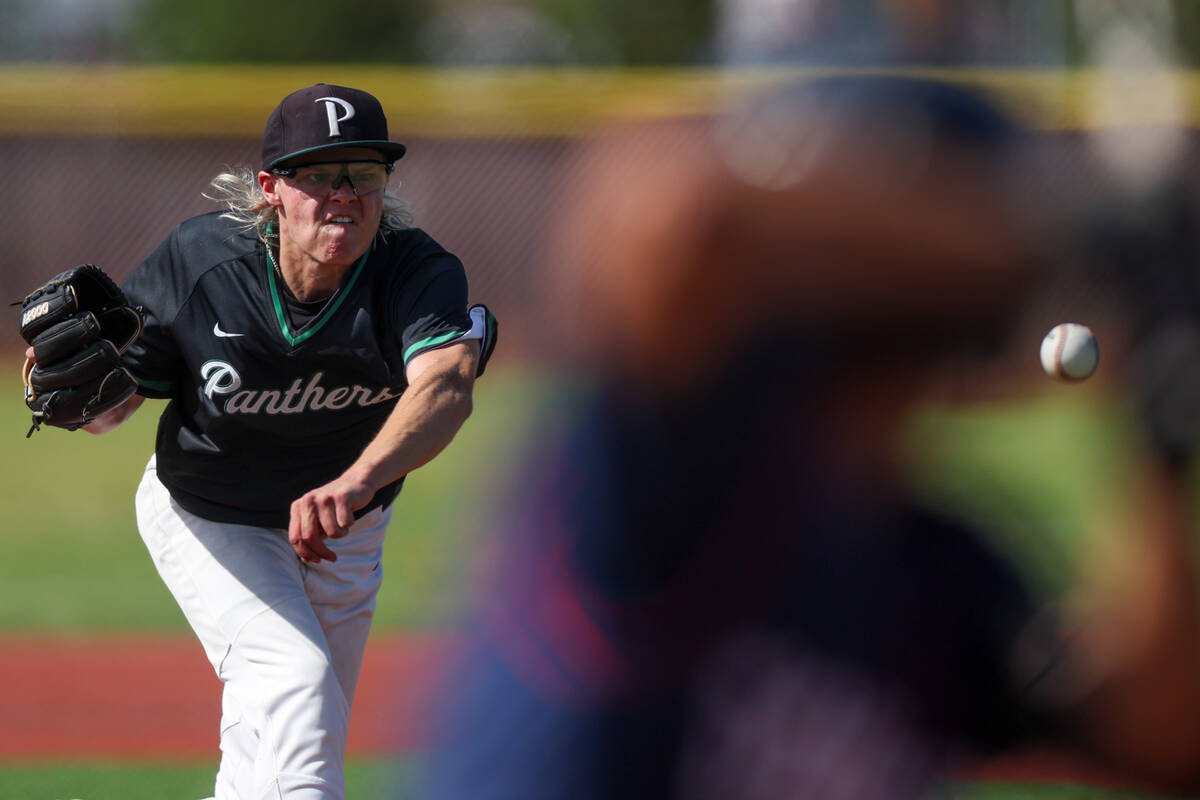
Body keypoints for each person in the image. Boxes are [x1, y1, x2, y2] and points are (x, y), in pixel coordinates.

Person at [415, 76, 1200, 799]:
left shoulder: (930, 563)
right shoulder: (669, 467)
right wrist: (1044, 233)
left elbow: (1158, 740)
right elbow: (674, 211)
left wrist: (1163, 436)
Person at [27, 83, 496, 800]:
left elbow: (446, 387)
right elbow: (112, 407)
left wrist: (357, 480)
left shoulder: (413, 270)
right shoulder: (205, 264)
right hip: (211, 515)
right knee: (294, 684)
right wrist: (73, 396)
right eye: (318, 175)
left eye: (364, 174)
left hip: (347, 532)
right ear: (272, 189)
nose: (343, 195)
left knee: (288, 740)